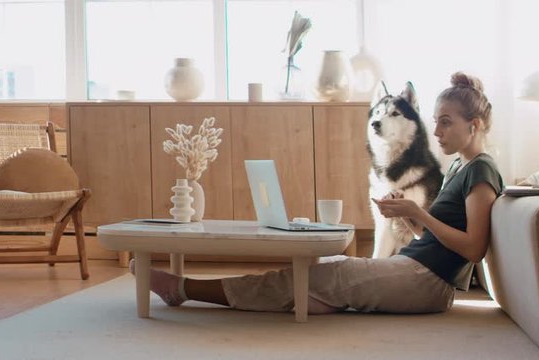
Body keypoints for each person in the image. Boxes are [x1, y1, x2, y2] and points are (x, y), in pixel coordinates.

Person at [134, 72, 504, 314]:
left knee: (318, 277)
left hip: (428, 281)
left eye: (445, 122)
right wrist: (407, 214)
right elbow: (431, 237)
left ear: (472, 126)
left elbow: (473, 249)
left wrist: (419, 213)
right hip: (417, 266)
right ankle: (304, 300)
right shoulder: (460, 167)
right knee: (315, 274)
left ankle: (183, 288)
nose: (436, 130)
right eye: (436, 120)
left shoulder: (481, 172)